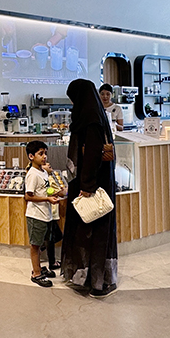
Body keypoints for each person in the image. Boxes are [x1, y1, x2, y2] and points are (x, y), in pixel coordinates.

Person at [61, 78, 118, 297]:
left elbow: (93, 154)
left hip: (92, 184)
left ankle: (96, 282)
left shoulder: (90, 118)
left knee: (92, 231)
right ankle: (87, 277)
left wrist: (87, 185)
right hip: (91, 182)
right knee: (88, 230)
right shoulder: (93, 114)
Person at [24, 140, 61, 287]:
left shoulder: (43, 172)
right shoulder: (32, 174)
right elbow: (28, 196)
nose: (44, 156)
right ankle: (36, 273)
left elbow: (44, 190)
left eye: (45, 153)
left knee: (41, 244)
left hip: (45, 214)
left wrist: (53, 194)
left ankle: (39, 268)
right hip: (35, 216)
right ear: (31, 156)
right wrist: (47, 199)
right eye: (41, 154)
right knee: (35, 245)